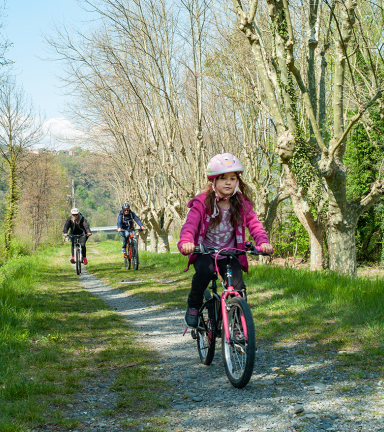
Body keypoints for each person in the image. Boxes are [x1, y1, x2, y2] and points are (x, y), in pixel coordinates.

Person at [178, 153, 273, 328]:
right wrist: (186, 241)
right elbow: (190, 226)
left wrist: (263, 242)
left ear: (238, 181)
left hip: (230, 253)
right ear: (213, 182)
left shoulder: (241, 203)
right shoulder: (201, 203)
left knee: (238, 288)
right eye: (223, 179)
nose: (228, 182)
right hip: (205, 252)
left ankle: (238, 324)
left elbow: (254, 224)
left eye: (232, 178)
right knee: (204, 273)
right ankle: (194, 305)